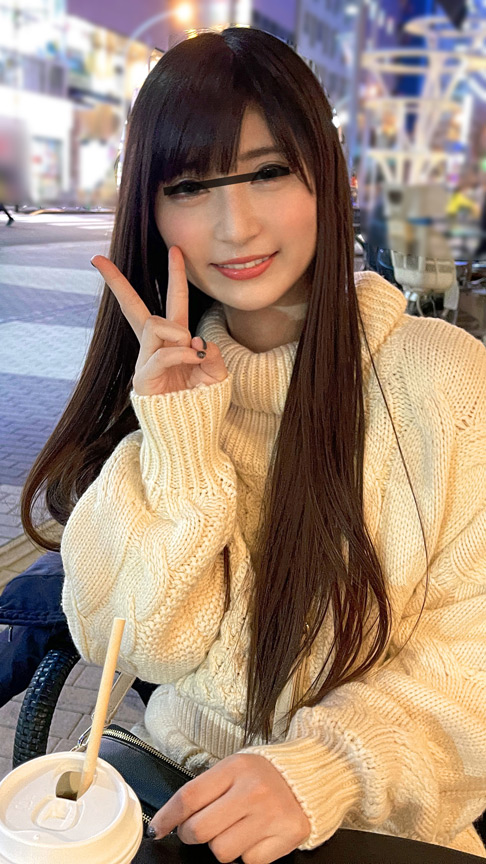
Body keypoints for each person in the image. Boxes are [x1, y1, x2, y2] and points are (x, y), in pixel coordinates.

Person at [20, 27, 486, 863]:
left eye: (268, 172)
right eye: (190, 186)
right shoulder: (162, 386)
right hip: (176, 802)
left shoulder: (447, 381)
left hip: (376, 828)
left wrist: (325, 769)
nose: (234, 225)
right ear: (151, 211)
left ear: (326, 177)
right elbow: (133, 646)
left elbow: (474, 655)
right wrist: (179, 439)